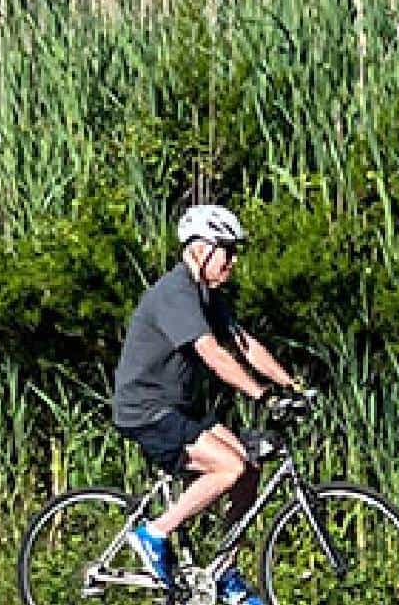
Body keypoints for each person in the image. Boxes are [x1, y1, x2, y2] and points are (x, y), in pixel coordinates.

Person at [113, 204, 298, 605]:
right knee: (229, 466)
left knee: (249, 467)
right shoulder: (175, 293)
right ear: (200, 249)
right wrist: (262, 394)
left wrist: (291, 385)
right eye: (227, 250)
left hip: (179, 408)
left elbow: (244, 344)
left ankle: (223, 572)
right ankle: (153, 534)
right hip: (147, 410)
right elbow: (212, 353)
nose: (233, 261)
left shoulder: (207, 297)